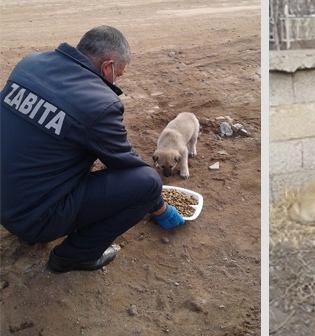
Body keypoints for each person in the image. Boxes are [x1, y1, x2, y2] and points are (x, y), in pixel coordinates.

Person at [0, 26, 185, 273]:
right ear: (107, 66)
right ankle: (72, 257)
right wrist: (160, 206)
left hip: (6, 202)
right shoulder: (99, 103)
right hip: (36, 220)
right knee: (149, 182)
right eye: (118, 74)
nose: (116, 80)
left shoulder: (30, 62)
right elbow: (128, 165)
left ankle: (28, 224)